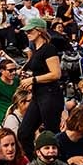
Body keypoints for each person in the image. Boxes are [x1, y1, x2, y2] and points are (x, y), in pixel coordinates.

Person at [17, 16, 63, 152]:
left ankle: (58, 163)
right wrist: (28, 75)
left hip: (50, 95)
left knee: (52, 134)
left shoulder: (49, 48)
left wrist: (32, 80)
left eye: (30, 30)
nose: (27, 33)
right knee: (24, 133)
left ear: (39, 31)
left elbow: (56, 74)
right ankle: (36, 163)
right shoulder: (37, 50)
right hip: (39, 95)